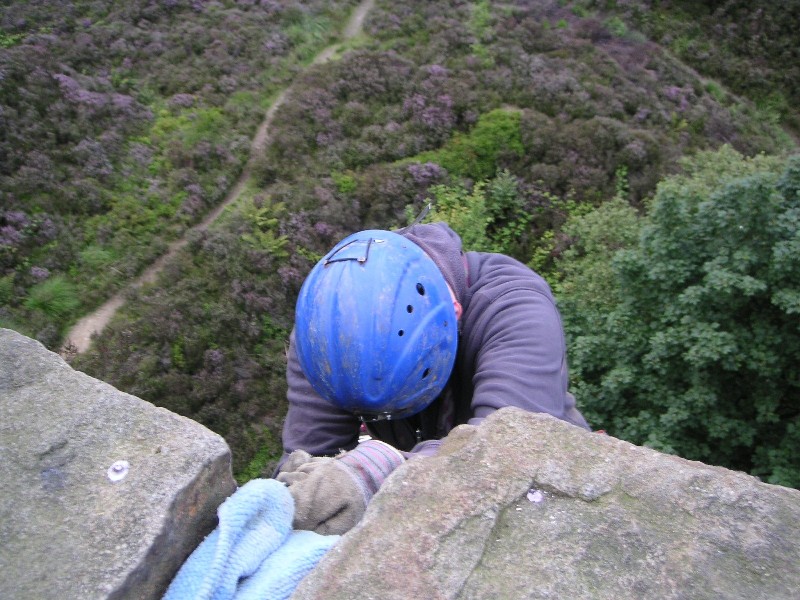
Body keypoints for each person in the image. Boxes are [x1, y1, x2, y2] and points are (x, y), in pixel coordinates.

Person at [276, 221, 590, 535]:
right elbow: (312, 453)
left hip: (552, 494)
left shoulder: (515, 307)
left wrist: (374, 471)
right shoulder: (323, 336)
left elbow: (507, 452)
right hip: (419, 494)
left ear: (454, 312)